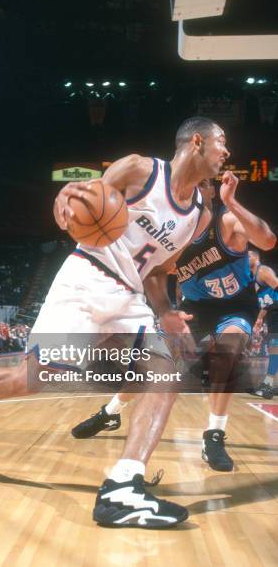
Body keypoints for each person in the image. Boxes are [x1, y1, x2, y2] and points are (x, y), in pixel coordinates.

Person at [0, 116, 232, 529]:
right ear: (196, 141)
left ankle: (124, 486)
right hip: (86, 278)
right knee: (32, 379)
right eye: (221, 142)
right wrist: (67, 197)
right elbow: (87, 199)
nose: (226, 152)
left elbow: (160, 270)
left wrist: (164, 310)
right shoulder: (140, 169)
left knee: (164, 369)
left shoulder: (198, 215)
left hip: (129, 298)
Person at [71, 177, 275, 473]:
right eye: (196, 182)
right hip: (194, 311)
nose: (199, 187)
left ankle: (214, 434)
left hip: (234, 307)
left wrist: (232, 201)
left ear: (211, 193)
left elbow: (268, 240)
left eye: (205, 183)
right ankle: (111, 413)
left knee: (227, 354)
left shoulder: (228, 222)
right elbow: (153, 275)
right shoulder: (173, 236)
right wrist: (165, 309)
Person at [249, 250, 278, 399]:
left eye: (248, 256)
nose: (246, 259)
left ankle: (267, 384)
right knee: (274, 349)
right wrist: (260, 318)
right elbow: (265, 302)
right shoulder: (251, 276)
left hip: (276, 311)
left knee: (275, 348)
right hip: (271, 313)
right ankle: (267, 384)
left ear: (256, 257)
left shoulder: (264, 271)